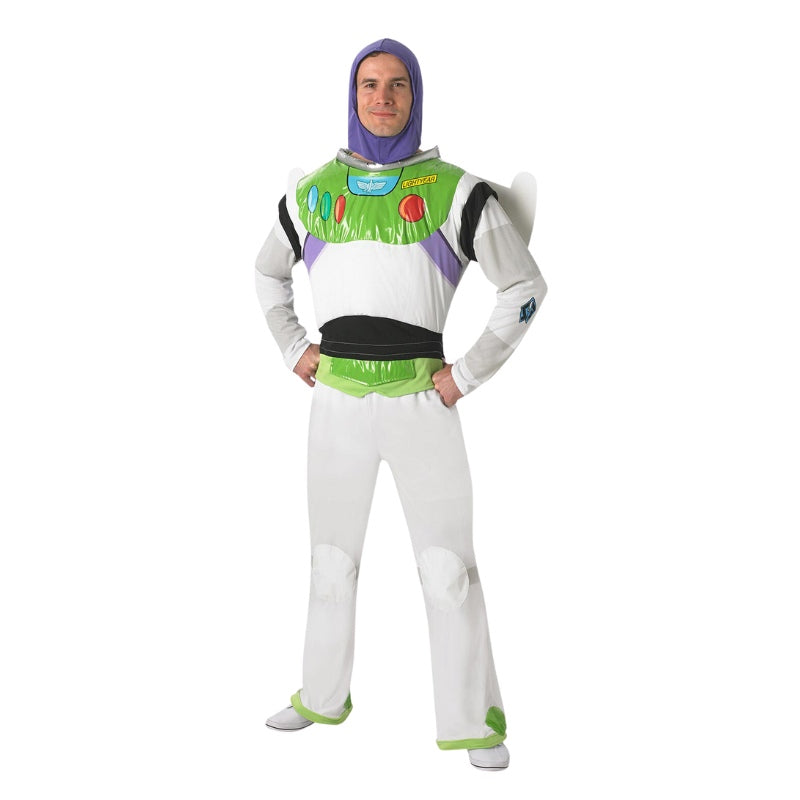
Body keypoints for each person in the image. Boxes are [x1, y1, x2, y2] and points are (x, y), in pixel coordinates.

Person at [255, 37, 547, 771]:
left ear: (415, 95)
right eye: (369, 84)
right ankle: (320, 696)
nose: (381, 97)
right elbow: (265, 274)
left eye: (396, 85)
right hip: (337, 405)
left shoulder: (457, 191)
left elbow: (525, 286)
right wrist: (294, 348)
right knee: (330, 561)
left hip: (423, 402)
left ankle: (475, 722)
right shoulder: (313, 193)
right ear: (351, 96)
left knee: (448, 569)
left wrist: (466, 376)